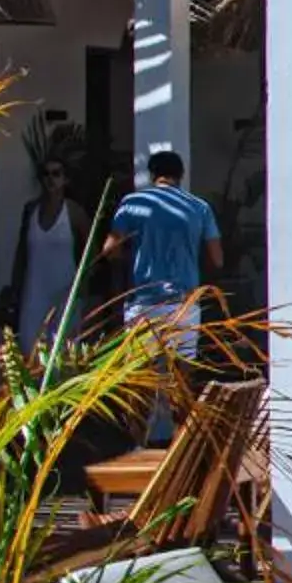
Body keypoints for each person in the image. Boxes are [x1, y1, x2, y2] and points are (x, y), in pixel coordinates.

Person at [103, 149, 222, 439]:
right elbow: (217, 259)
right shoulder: (198, 207)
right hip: (184, 304)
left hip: (144, 303)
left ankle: (135, 447)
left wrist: (136, 252)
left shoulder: (133, 203)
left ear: (152, 174)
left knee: (140, 381)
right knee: (182, 383)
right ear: (180, 175)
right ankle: (181, 455)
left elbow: (109, 251)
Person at [4, 158, 90, 354]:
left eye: (56, 173)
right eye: (46, 174)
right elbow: (22, 252)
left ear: (65, 179)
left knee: (64, 349)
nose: (51, 179)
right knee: (29, 344)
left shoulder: (74, 212)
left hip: (65, 290)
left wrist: (82, 287)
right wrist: (15, 287)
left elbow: (89, 251)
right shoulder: (31, 210)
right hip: (33, 291)